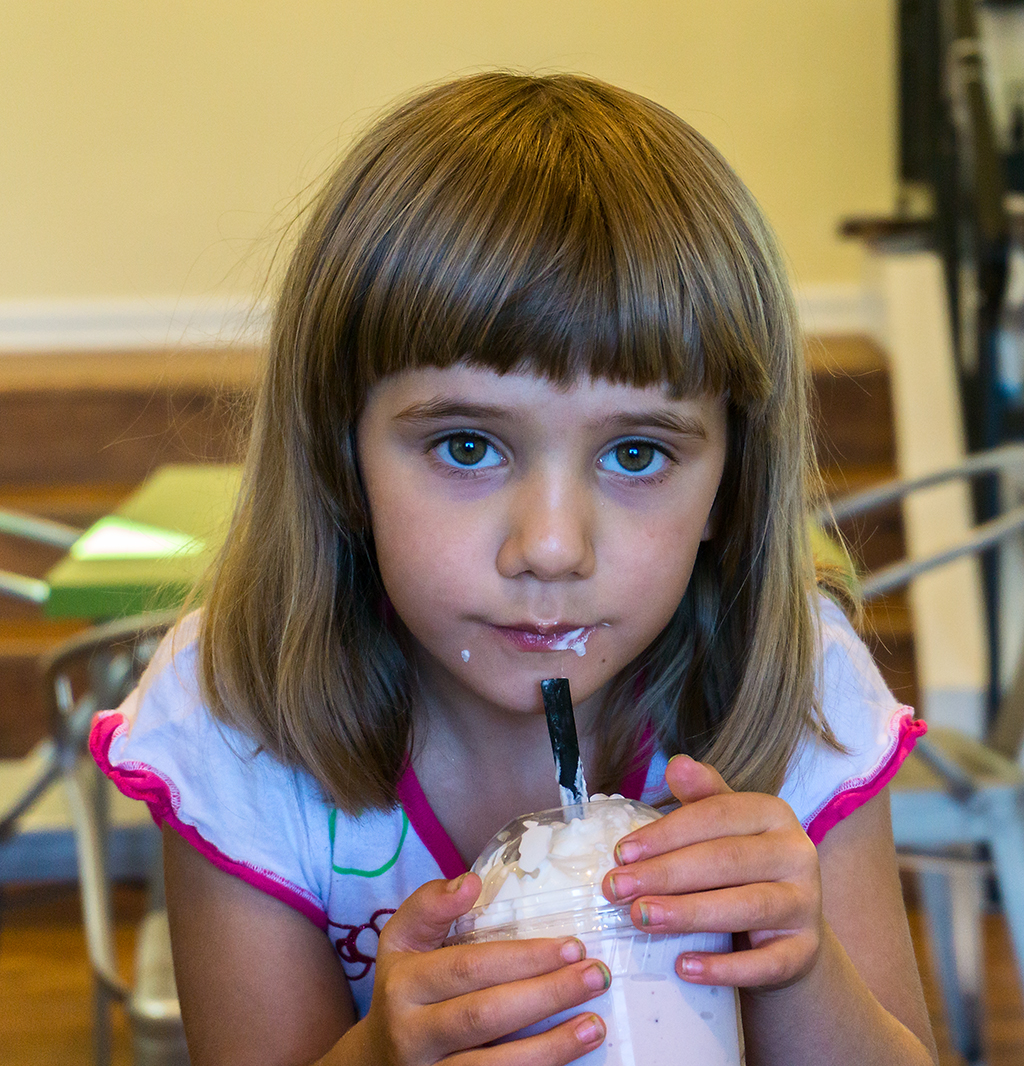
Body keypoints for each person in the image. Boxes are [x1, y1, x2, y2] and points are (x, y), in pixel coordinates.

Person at [91, 72, 939, 1065]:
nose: (549, 546)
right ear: (339, 451)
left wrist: (800, 968)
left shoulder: (795, 680)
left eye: (636, 453)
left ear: (733, 483)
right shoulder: (236, 708)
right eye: (464, 445)